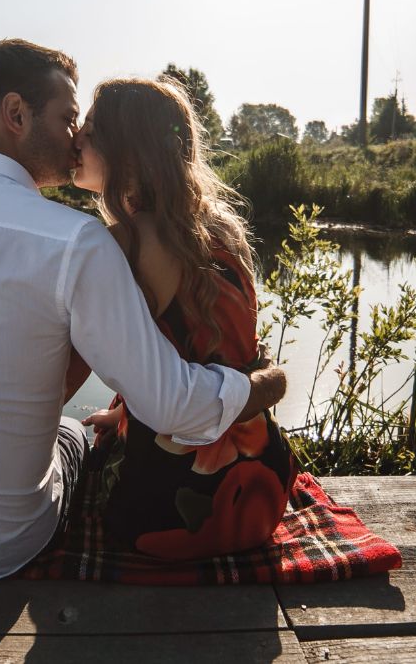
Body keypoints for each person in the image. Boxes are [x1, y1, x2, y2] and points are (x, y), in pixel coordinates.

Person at [0, 39, 287, 585]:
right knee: (70, 433)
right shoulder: (77, 242)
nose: (75, 136)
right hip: (2, 541)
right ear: (16, 115)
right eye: (68, 117)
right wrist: (265, 384)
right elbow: (174, 405)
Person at [72, 77, 296, 560]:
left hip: (171, 501)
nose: (76, 139)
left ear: (127, 151)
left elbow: (109, 356)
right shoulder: (223, 227)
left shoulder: (126, 242)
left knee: (89, 465)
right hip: (262, 482)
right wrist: (128, 411)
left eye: (89, 130)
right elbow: (195, 352)